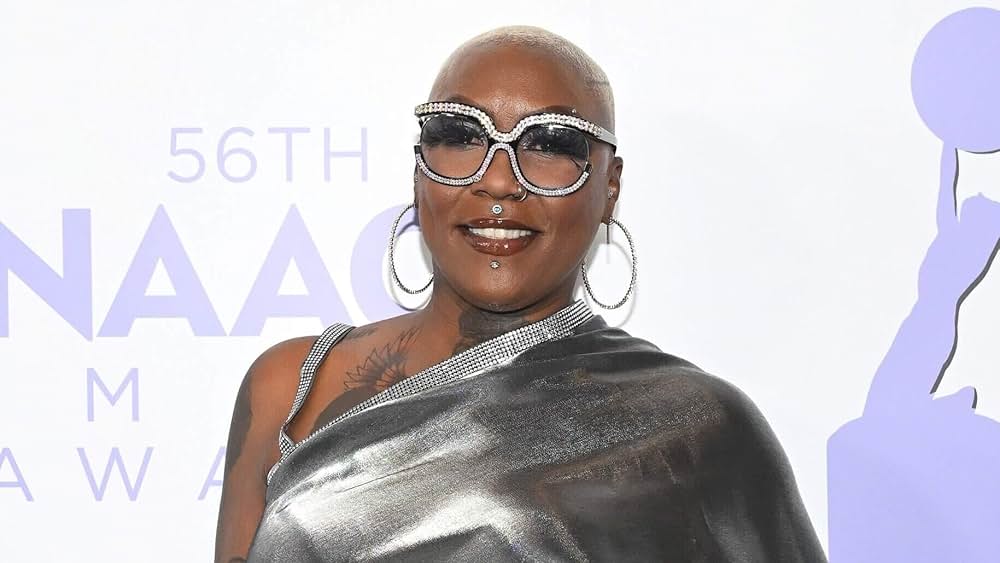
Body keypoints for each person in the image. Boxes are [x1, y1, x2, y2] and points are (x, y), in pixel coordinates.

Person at [215, 25, 827, 562]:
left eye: (551, 143)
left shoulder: (696, 428)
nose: (500, 181)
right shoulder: (289, 385)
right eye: (459, 134)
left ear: (610, 188)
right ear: (420, 170)